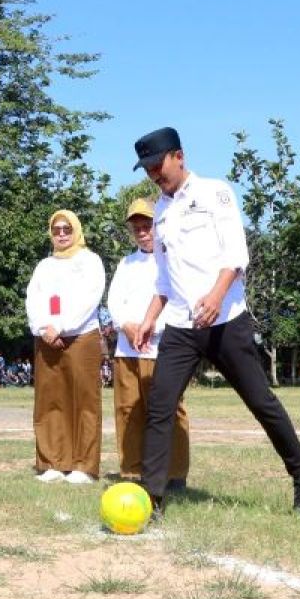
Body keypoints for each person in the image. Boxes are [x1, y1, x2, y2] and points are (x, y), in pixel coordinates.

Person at [131, 127, 300, 518]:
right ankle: (153, 498)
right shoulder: (161, 211)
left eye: (158, 164)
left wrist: (216, 298)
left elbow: (236, 254)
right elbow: (164, 278)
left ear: (179, 156)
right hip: (182, 326)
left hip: (226, 322)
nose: (154, 174)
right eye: (147, 168)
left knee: (260, 402)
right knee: (160, 407)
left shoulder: (215, 193)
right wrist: (150, 318)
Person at [107, 197, 191, 489]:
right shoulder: (126, 263)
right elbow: (114, 301)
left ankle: (175, 473)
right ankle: (131, 471)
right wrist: (127, 326)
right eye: (137, 228)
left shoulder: (174, 259)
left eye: (148, 226)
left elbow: (179, 300)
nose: (143, 232)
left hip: (164, 348)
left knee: (170, 410)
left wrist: (154, 326)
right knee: (128, 410)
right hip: (127, 349)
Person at [25, 209, 106, 484]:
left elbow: (90, 298)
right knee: (50, 400)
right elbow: (33, 299)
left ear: (76, 230)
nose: (61, 234)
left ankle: (83, 466)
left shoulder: (90, 261)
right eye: (57, 229)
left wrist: (62, 326)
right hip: (46, 338)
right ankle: (52, 462)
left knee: (84, 401)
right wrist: (43, 328)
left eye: (66, 229)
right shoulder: (44, 266)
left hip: (81, 336)